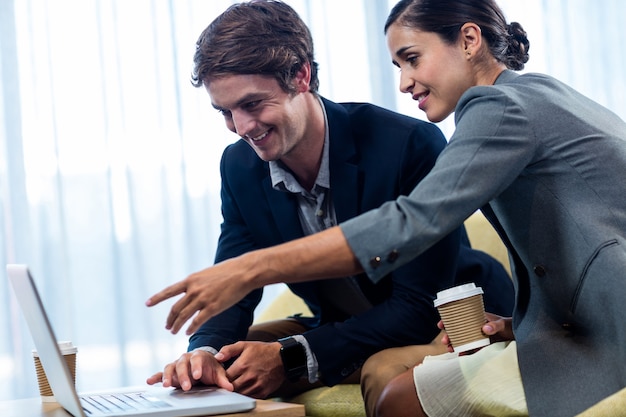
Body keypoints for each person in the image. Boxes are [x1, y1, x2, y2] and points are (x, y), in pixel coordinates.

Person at [147, 0, 626, 415]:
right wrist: (205, 350)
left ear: (469, 40)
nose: (403, 82)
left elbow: (412, 222)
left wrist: (254, 270)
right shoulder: (533, 96)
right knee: (224, 364)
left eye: (411, 59)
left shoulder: (489, 113)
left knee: (389, 386)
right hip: (559, 316)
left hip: (582, 323)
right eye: (225, 112)